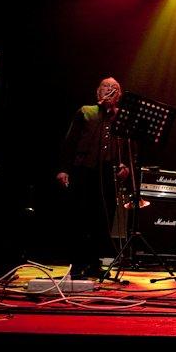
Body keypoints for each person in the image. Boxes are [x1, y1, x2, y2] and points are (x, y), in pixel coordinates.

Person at [56, 77, 131, 278]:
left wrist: (125, 165)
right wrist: (63, 169)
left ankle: (94, 264)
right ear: (98, 91)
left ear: (119, 95)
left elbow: (128, 147)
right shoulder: (86, 111)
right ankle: (76, 265)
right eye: (106, 86)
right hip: (84, 170)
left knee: (103, 220)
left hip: (108, 174)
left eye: (114, 87)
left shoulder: (122, 117)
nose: (110, 89)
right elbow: (70, 142)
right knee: (80, 218)